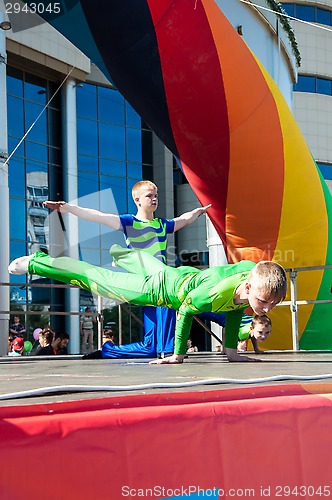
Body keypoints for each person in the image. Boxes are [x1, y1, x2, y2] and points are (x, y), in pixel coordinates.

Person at [8, 245, 287, 363]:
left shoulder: (254, 274)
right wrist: (178, 354)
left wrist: (230, 352)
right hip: (158, 289)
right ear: (248, 287)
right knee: (95, 278)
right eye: (263, 302)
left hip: (177, 274)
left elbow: (238, 307)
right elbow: (186, 311)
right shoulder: (213, 294)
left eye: (273, 304)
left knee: (146, 262)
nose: (266, 309)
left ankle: (122, 253)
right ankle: (38, 261)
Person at [44, 180, 211, 359]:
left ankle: (109, 350)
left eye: (156, 196)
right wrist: (67, 208)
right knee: (169, 296)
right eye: (149, 196)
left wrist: (199, 211)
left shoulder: (162, 225)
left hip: (159, 280)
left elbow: (184, 220)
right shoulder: (129, 222)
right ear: (137, 200)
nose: (154, 199)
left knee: (150, 348)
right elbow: (97, 216)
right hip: (143, 283)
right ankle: (170, 351)